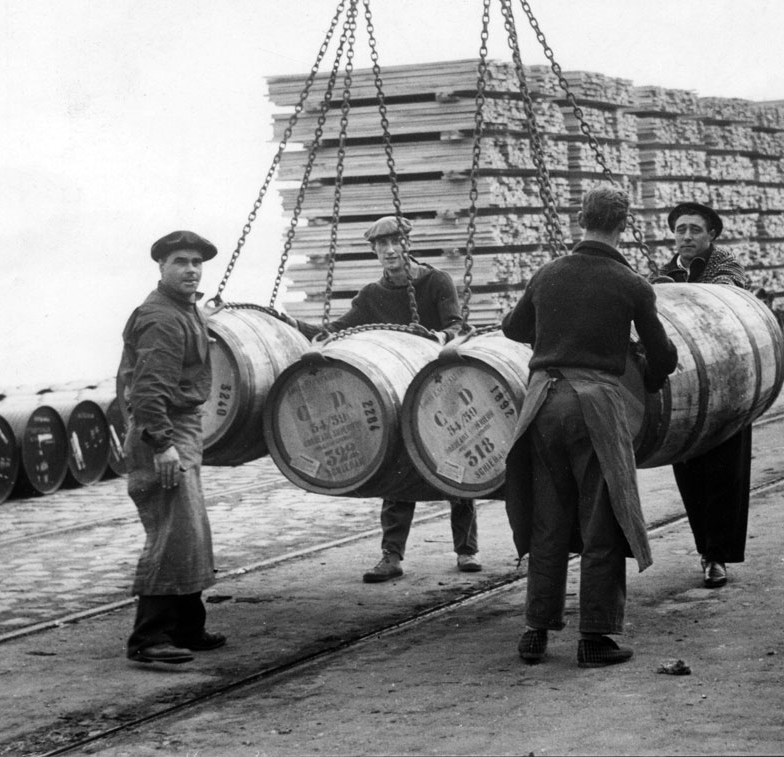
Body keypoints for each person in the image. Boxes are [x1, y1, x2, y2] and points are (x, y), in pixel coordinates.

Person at [501, 186, 679, 668]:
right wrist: (650, 369)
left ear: (580, 219)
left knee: (548, 518)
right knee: (602, 517)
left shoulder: (548, 273)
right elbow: (662, 355)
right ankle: (595, 637)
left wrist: (558, 333)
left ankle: (536, 631)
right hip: (594, 405)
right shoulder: (632, 284)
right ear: (623, 226)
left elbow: (513, 329)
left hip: (542, 402)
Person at [291, 215, 482, 583]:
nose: (390, 250)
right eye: (382, 245)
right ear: (375, 250)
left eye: (396, 242)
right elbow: (336, 330)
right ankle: (391, 555)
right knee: (398, 468)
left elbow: (456, 324)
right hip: (398, 389)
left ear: (407, 243)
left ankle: (466, 550)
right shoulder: (372, 296)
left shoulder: (435, 282)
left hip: (438, 385)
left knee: (454, 456)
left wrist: (439, 338)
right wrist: (294, 325)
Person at [117, 230, 226, 665]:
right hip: (159, 431)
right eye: (181, 261)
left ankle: (187, 627)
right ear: (161, 267)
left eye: (197, 262)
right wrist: (162, 445)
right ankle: (149, 638)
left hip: (181, 429)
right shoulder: (161, 317)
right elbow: (147, 389)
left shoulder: (185, 309)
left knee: (190, 530)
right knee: (171, 530)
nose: (191, 269)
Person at [652, 201, 754, 590]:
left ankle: (719, 556)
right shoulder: (665, 272)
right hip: (690, 387)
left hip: (728, 383)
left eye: (695, 230)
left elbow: (722, 297)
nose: (687, 237)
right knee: (690, 473)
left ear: (711, 235)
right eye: (680, 230)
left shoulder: (725, 267)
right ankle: (704, 550)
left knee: (725, 473)